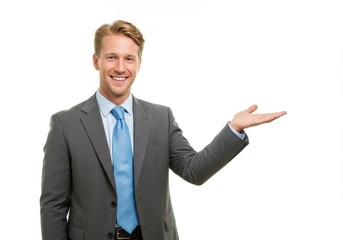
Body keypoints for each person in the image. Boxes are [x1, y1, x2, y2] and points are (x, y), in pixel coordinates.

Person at [40, 20, 287, 240]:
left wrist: (233, 129)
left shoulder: (160, 118)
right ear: (96, 60)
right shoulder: (66, 124)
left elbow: (194, 170)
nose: (120, 68)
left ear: (139, 63)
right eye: (111, 57)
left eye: (129, 58)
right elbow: (53, 205)